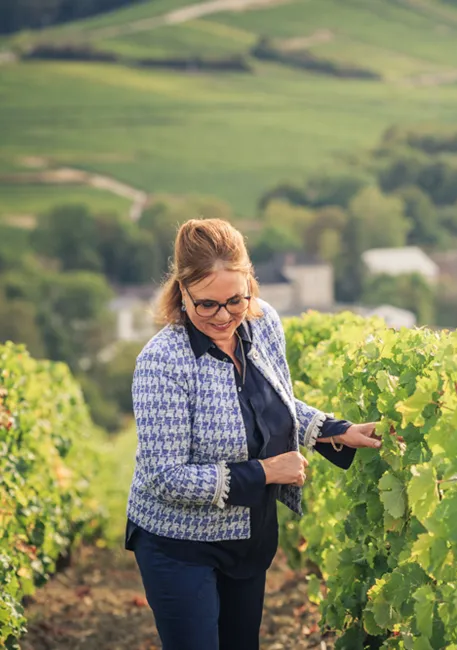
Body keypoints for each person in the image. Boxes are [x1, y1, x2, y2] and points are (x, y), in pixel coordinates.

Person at [125, 218, 384, 650]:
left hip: (248, 537)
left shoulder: (263, 325)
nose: (224, 316)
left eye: (235, 300)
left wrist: (340, 431)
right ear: (182, 292)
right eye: (207, 304)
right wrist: (264, 472)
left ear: (250, 285)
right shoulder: (161, 363)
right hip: (178, 545)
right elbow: (164, 478)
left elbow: (277, 406)